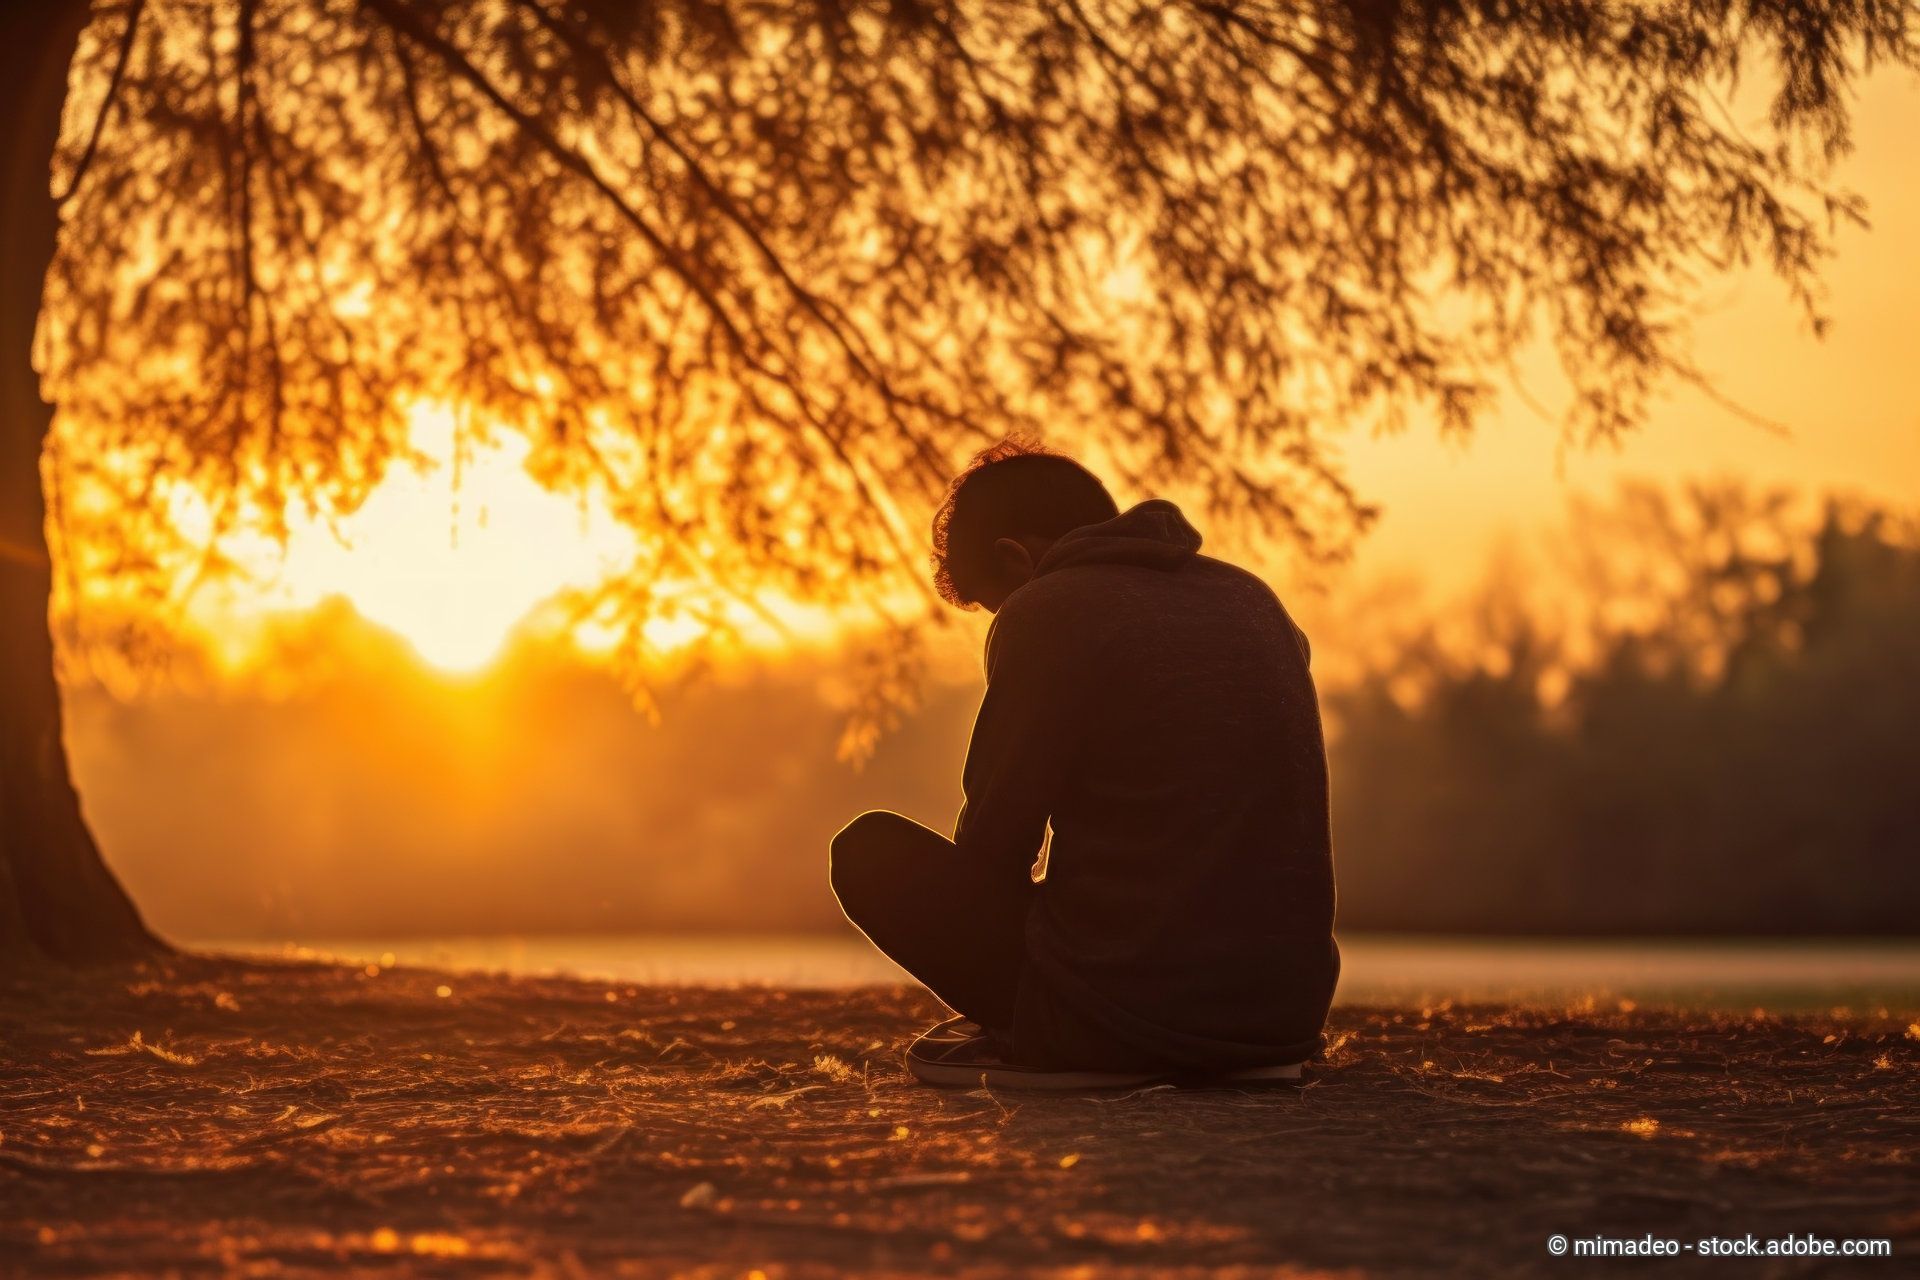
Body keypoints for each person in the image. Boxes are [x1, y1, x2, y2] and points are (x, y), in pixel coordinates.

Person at [830, 439, 1338, 1089]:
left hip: (1121, 1014)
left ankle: (1058, 1032)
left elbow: (995, 845)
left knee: (868, 850)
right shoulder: (1253, 600)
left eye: (994, 604)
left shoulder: (1049, 609)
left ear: (1015, 559)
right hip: (1282, 1019)